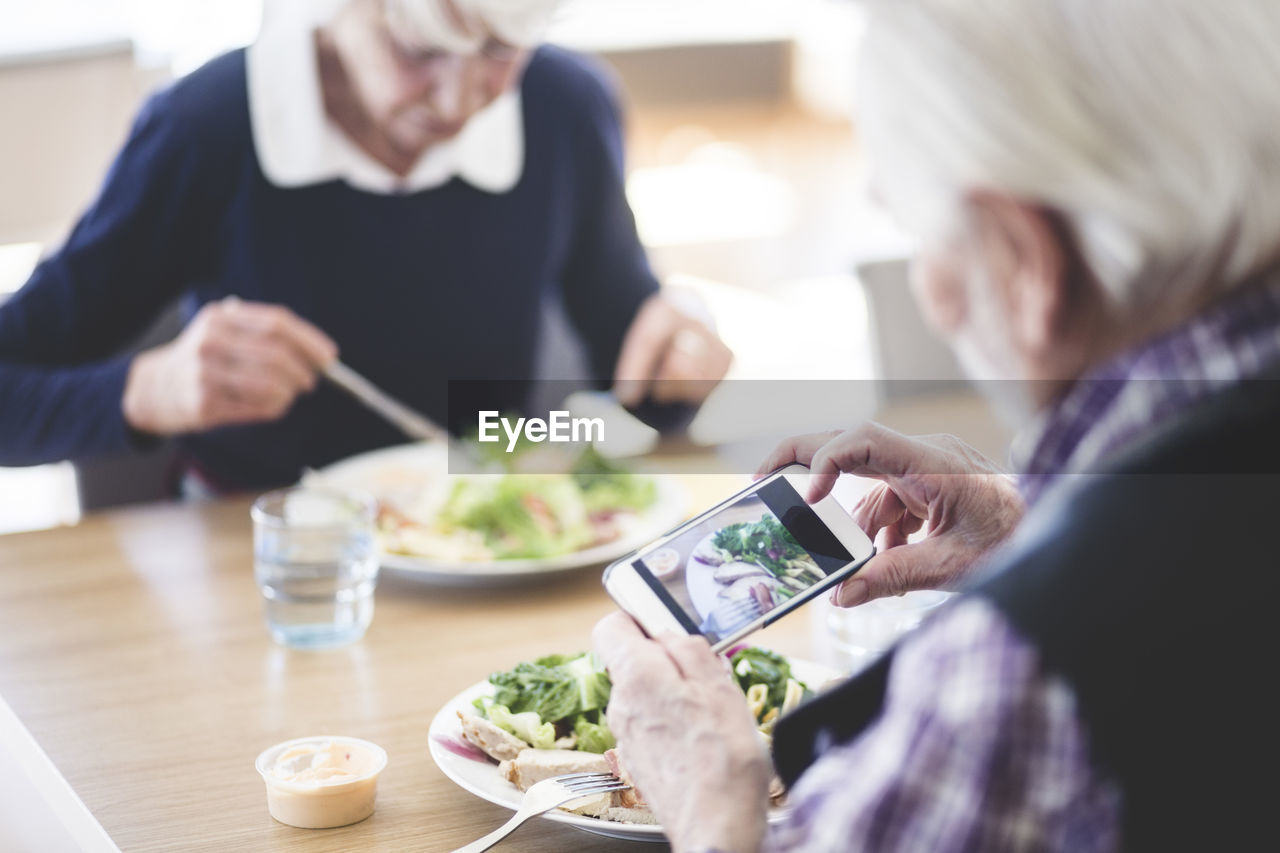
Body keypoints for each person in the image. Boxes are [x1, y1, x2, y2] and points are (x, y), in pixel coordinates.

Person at [594, 0, 1280, 850]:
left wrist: (708, 803)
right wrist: (1039, 528)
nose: (927, 290)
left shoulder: (1014, 675)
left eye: (923, 238)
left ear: (1025, 265)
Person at [0, 0, 731, 492]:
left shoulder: (565, 106)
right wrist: (144, 390)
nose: (458, 102)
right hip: (276, 569)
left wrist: (675, 359)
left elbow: (631, 368)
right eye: (420, 50)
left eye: (501, 51)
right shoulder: (205, 127)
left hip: (495, 547)